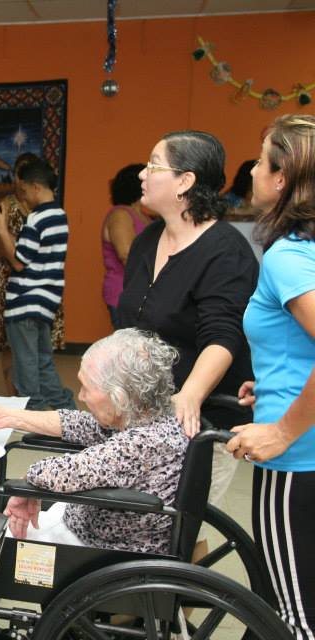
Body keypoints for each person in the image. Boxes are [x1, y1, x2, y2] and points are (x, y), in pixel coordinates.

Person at [0, 329, 186, 640]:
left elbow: (61, 473)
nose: (81, 395)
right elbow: (78, 423)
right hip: (92, 525)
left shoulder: (139, 444)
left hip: (98, 553)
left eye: (88, 388)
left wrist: (28, 486)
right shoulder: (151, 420)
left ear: (121, 397)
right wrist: (11, 417)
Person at [117, 131, 257, 565]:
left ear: (184, 181)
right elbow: (133, 324)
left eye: (154, 164)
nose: (142, 174)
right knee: (145, 521)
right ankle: (162, 611)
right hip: (143, 415)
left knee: (176, 522)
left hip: (201, 418)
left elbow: (223, 335)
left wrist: (189, 397)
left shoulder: (225, 251)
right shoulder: (147, 240)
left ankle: (168, 609)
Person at [226, 114, 315, 640]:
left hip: (297, 460)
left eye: (261, 162)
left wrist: (282, 429)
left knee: (292, 618)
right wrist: (274, 379)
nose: (254, 171)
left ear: (282, 179)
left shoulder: (287, 257)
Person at [0, 158, 74, 410]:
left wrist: (1, 229)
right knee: (43, 362)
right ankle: (66, 410)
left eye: (23, 191)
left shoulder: (36, 217)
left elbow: (18, 262)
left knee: (24, 366)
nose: (22, 198)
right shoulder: (59, 215)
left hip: (24, 303)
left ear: (36, 187)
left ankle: (32, 416)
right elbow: (32, 252)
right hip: (45, 303)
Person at [101, 163, 149, 327]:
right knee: (130, 348)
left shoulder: (144, 216)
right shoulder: (121, 214)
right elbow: (126, 255)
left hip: (142, 294)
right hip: (124, 293)